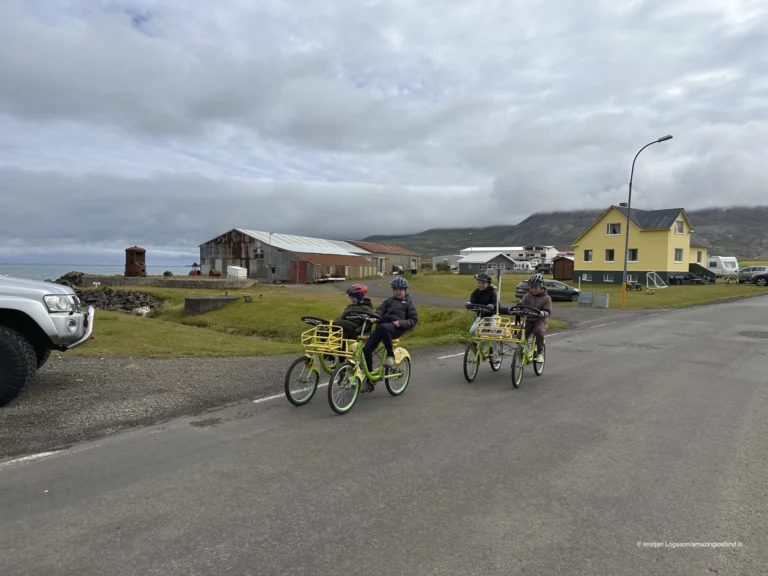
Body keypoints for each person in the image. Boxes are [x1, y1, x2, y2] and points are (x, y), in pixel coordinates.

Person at [363, 276, 418, 387]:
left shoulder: (409, 304)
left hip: (396, 329)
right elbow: (380, 310)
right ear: (393, 290)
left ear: (405, 290)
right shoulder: (388, 301)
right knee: (366, 349)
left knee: (383, 327)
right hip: (383, 327)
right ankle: (370, 378)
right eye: (396, 289)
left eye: (400, 289)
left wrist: (401, 323)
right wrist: (375, 317)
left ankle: (390, 355)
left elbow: (413, 320)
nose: (398, 291)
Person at [516, 273, 551, 362]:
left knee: (538, 331)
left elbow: (548, 311)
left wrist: (543, 313)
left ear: (541, 286)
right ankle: (522, 353)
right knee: (519, 338)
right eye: (532, 287)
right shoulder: (527, 296)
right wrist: (517, 309)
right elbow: (520, 304)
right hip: (528, 319)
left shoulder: (547, 298)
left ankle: (539, 353)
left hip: (540, 320)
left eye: (536, 287)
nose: (533, 289)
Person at [466, 272, 500, 358]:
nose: (481, 285)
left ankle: (495, 354)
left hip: (492, 316)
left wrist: (492, 305)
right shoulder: (475, 292)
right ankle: (483, 343)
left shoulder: (491, 293)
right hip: (481, 316)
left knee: (494, 332)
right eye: (479, 283)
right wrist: (469, 304)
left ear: (488, 284)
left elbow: (496, 303)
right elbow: (472, 302)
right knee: (473, 331)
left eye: (483, 283)